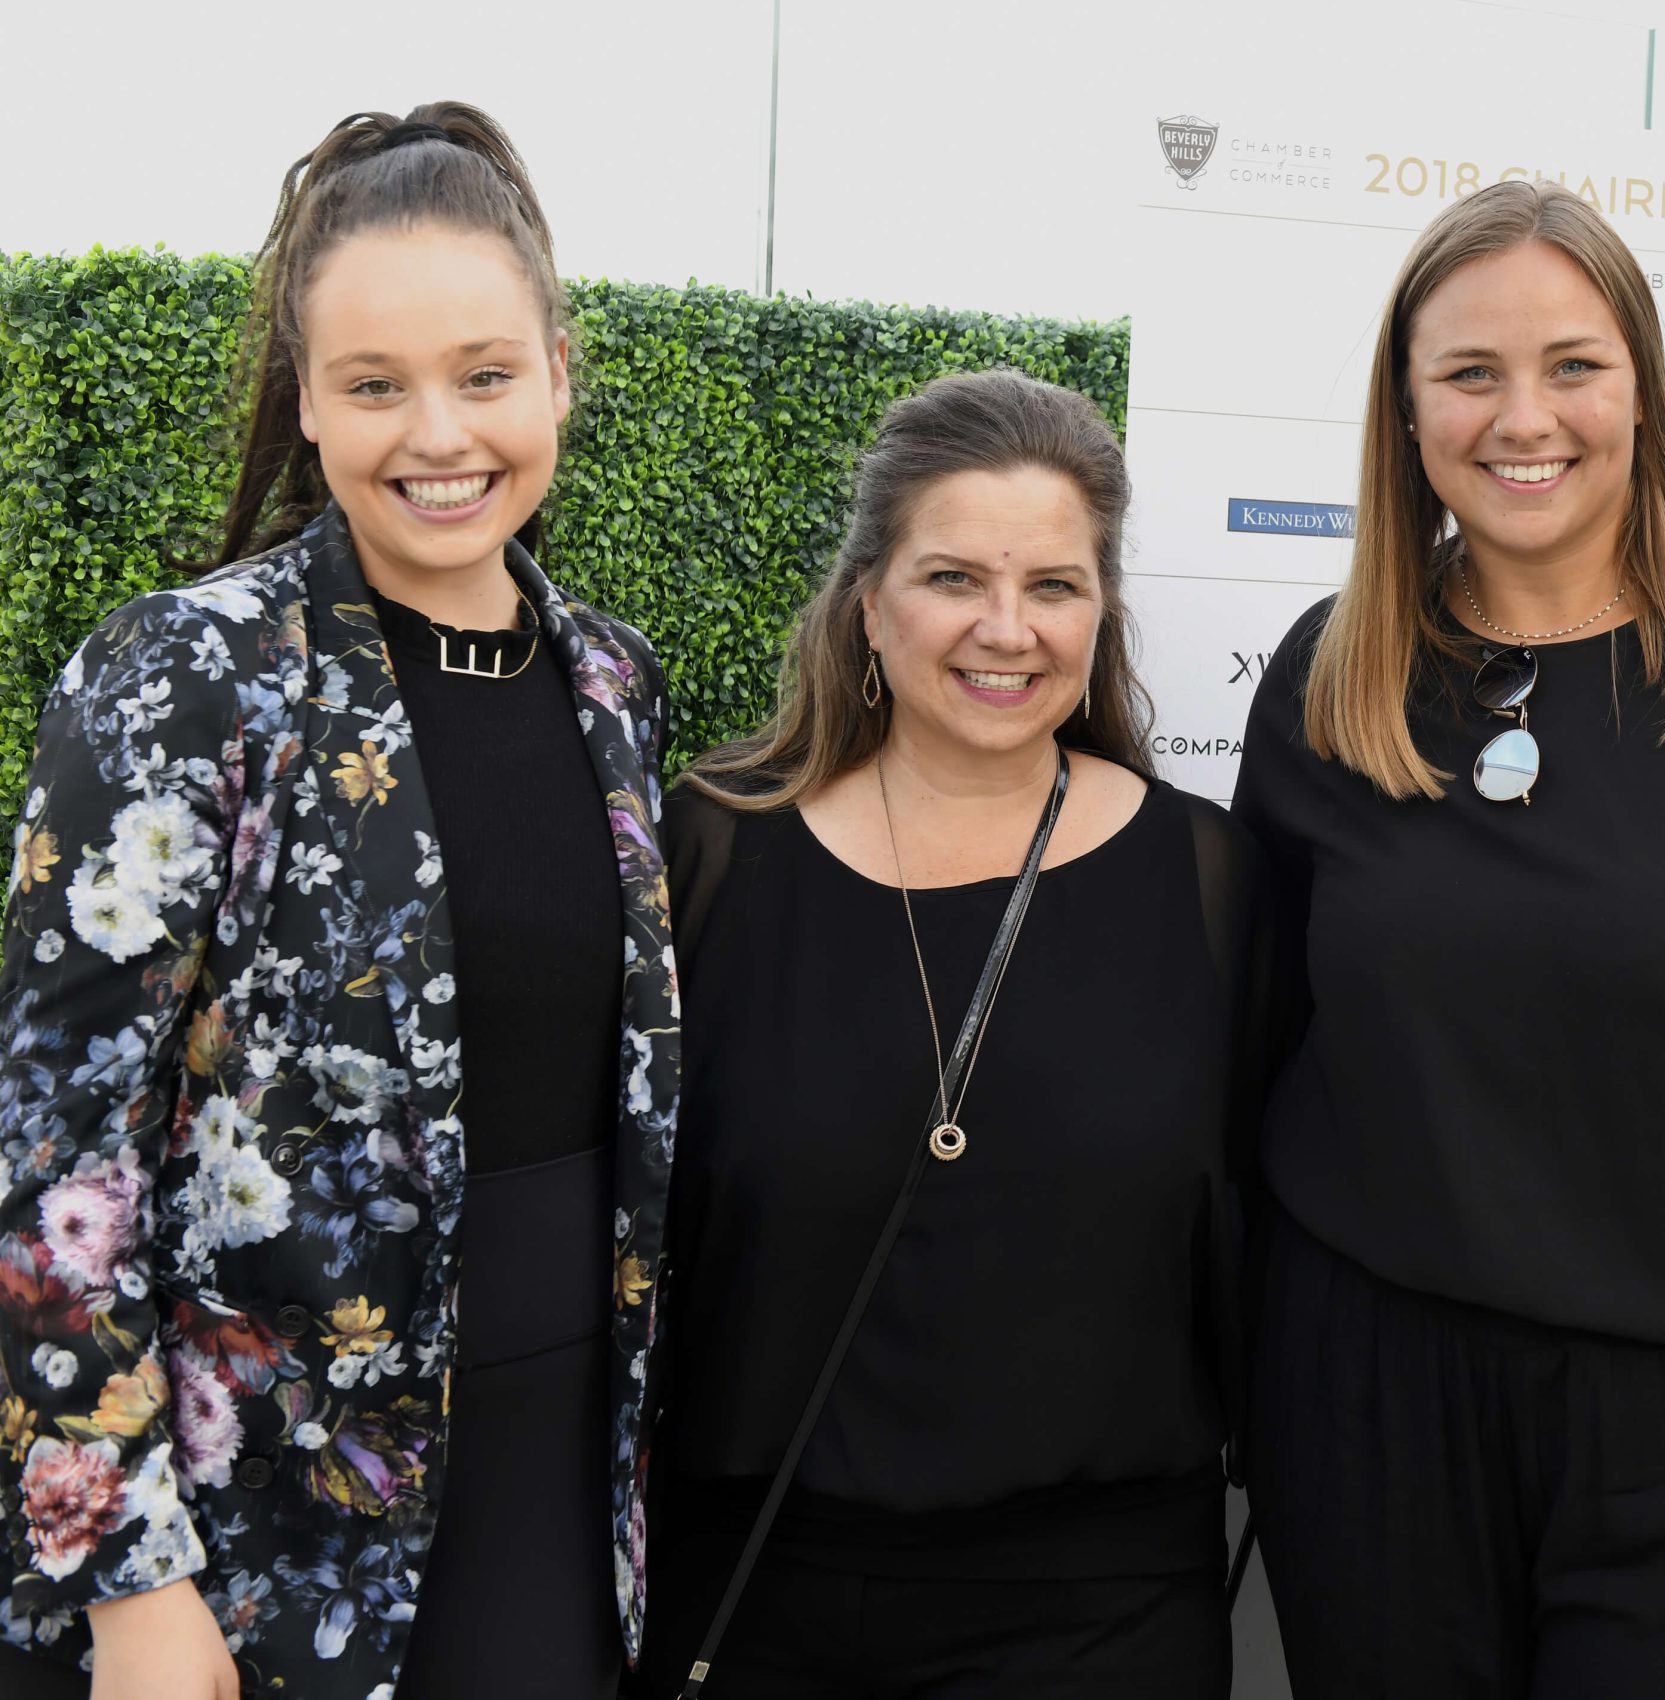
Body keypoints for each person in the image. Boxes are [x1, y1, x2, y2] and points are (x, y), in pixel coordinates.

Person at [0, 104, 678, 1700]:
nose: (438, 434)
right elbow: (49, 1153)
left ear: (558, 373)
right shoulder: (184, 671)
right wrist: (131, 1580)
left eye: (485, 375)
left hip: (558, 1492)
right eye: (375, 385)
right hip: (253, 1536)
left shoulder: (611, 679)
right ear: (307, 400)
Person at [1227, 177, 1665, 1697]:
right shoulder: (1330, 679)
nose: (1523, 417)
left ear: (1644, 387)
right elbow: (1258, 1037)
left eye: (1572, 366)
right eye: (1470, 372)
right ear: (1406, 408)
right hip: (1375, 1407)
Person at [632, 369, 1266, 1699]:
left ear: (1101, 612)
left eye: (1055, 585)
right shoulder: (709, 857)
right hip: (752, 1597)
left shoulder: (1211, 882)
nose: (1006, 628)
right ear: (869, 602)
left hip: (1102, 1617)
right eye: (954, 578)